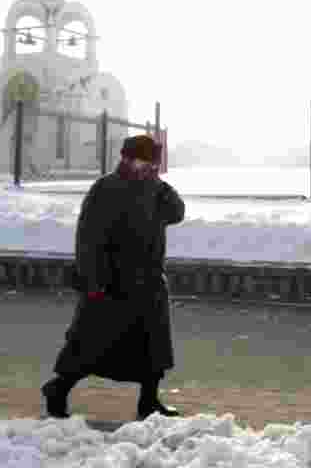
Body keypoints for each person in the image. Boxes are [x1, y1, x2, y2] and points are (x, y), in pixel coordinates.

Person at [42, 134, 186, 420]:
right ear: (126, 158)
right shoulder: (105, 188)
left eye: (153, 164)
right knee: (90, 346)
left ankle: (148, 403)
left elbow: (177, 213)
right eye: (144, 161)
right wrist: (93, 282)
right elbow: (88, 239)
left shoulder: (154, 189)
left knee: (152, 347)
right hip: (112, 284)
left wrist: (159, 185)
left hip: (149, 282)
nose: (148, 168)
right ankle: (58, 388)